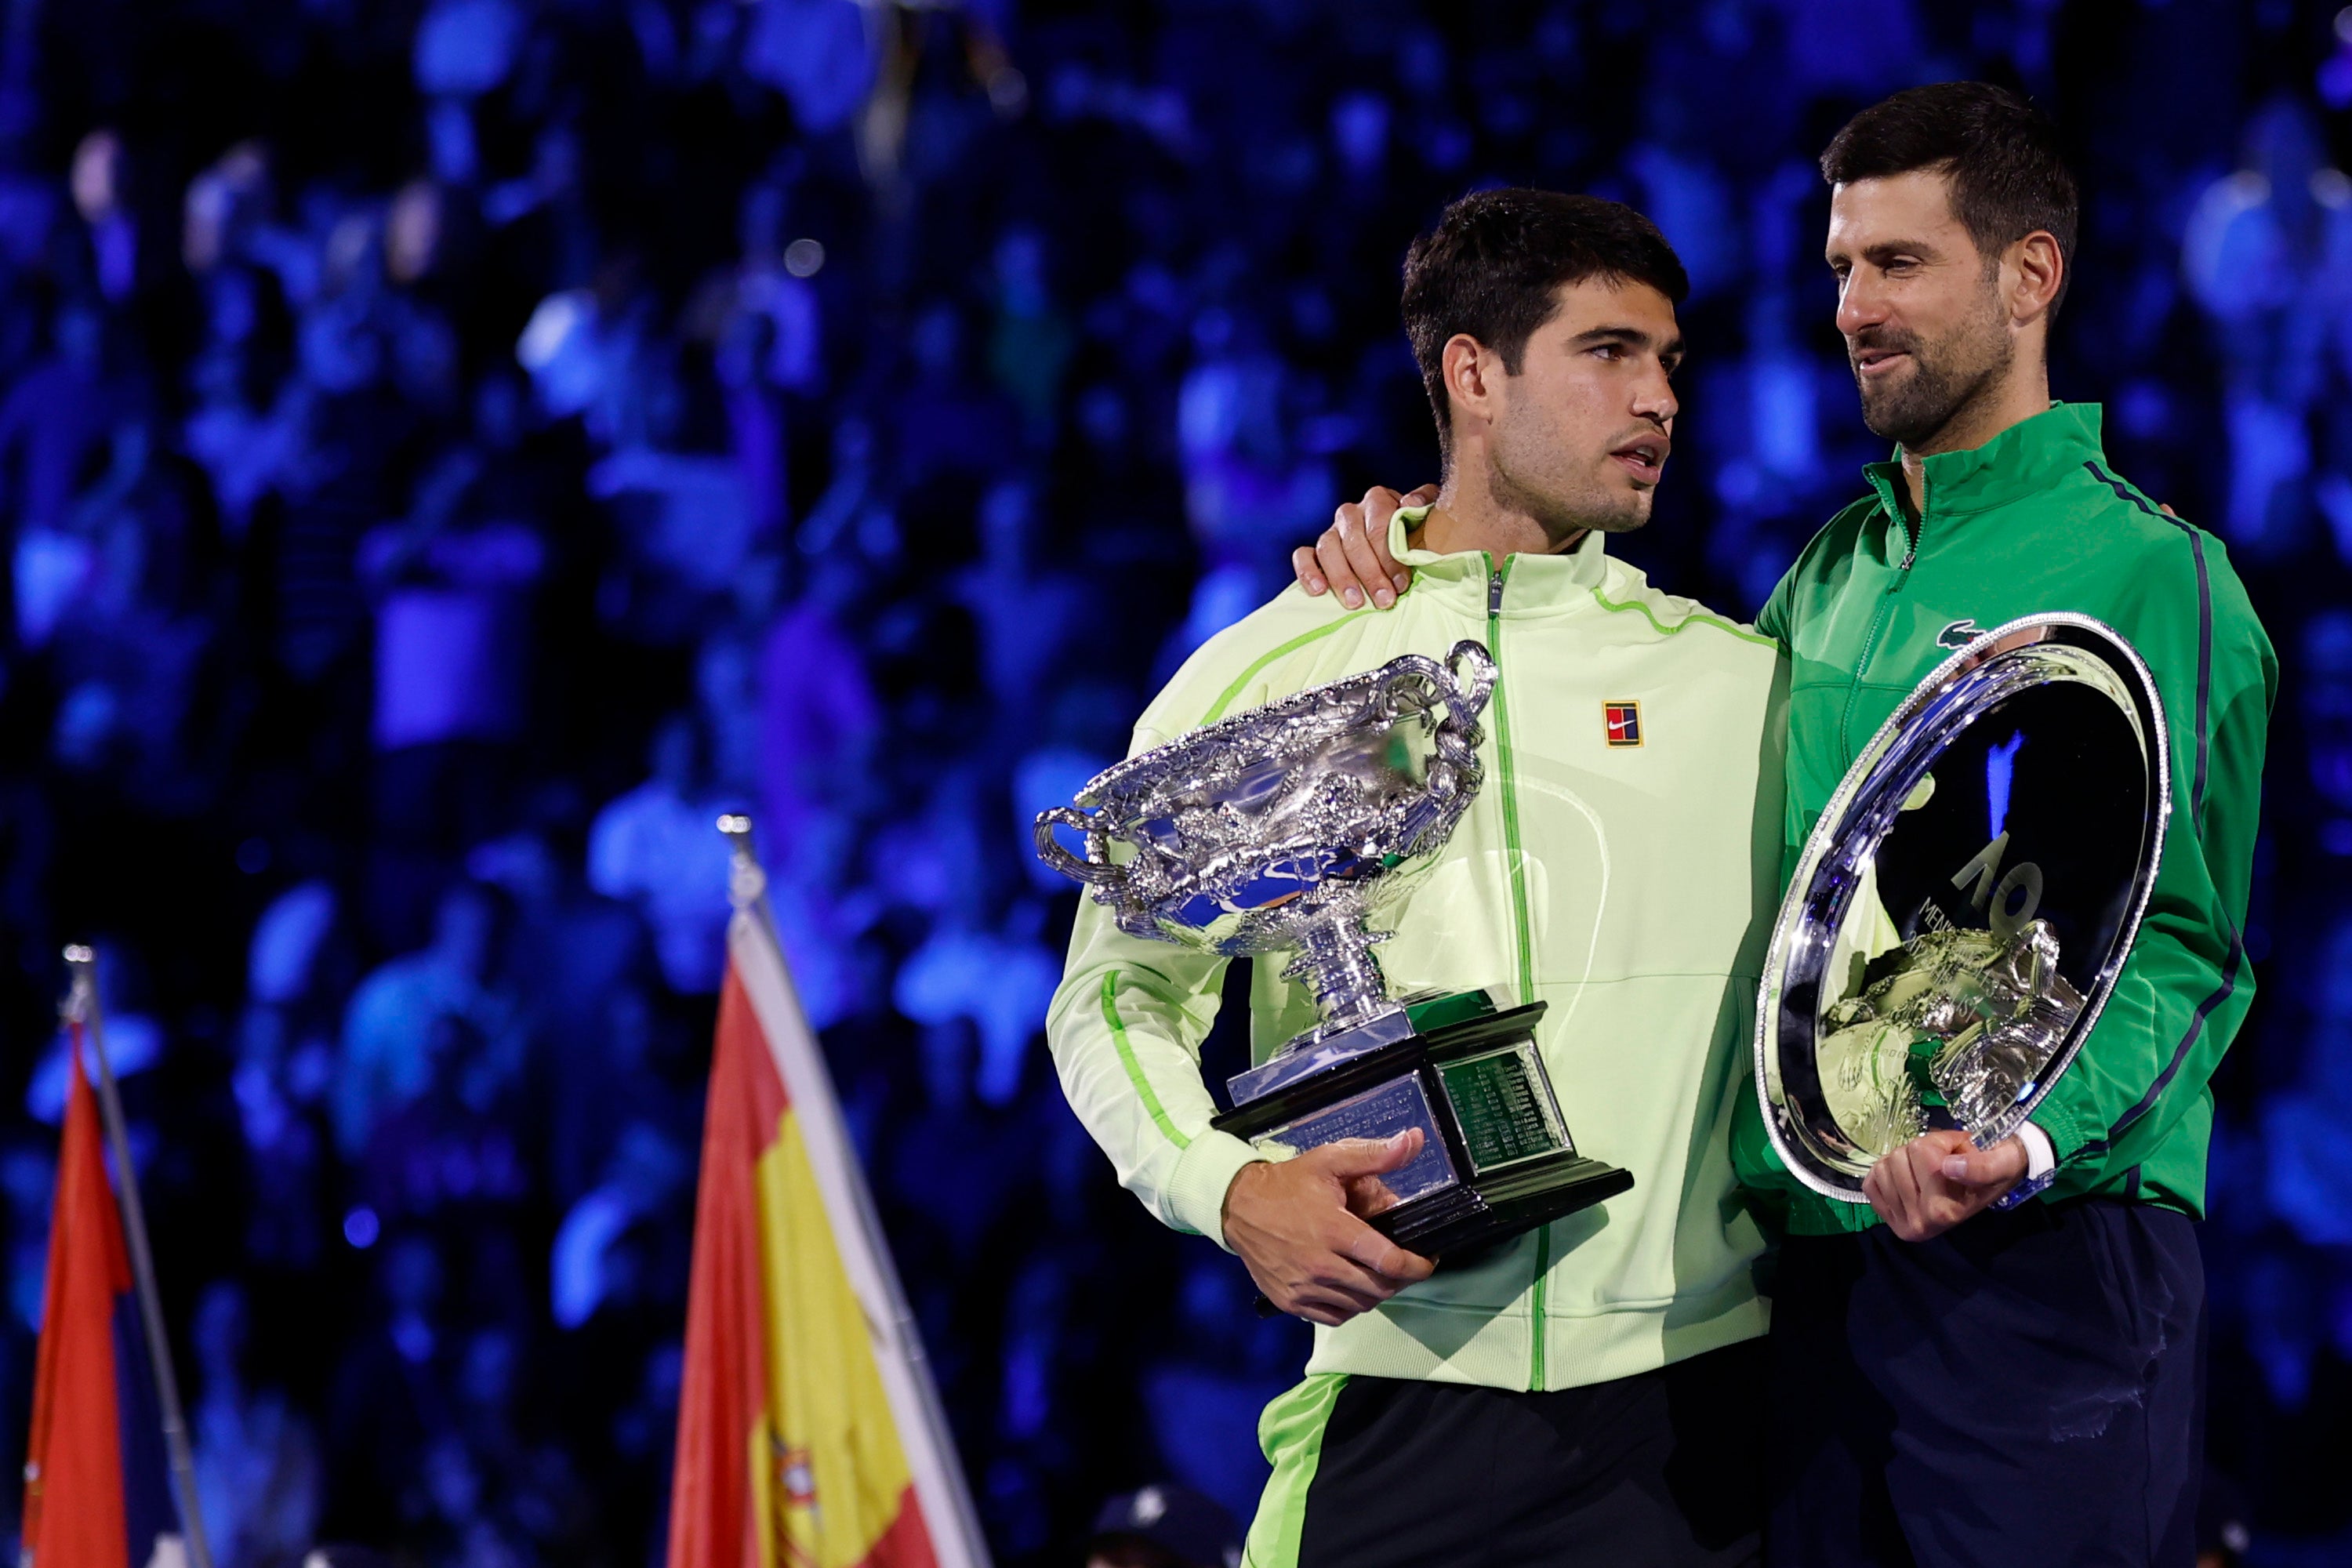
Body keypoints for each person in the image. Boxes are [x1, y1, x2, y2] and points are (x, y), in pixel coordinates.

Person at [1290, 82, 2273, 1568]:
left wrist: (2022, 1143)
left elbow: (2191, 958)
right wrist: (1420, 540)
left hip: (2043, 1267)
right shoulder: (1824, 576)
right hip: (1806, 1282)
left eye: (1898, 265)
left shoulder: (2155, 574)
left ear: (2030, 278)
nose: (1852, 308)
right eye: (1838, 269)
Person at [1047, 190, 1787, 1568]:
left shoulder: (1746, 681)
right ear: (1473, 375)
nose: (1659, 400)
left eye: (1670, 363)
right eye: (1609, 353)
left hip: (1700, 1422)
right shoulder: (1268, 671)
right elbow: (1114, 995)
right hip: (1399, 1394)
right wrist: (1226, 1190)